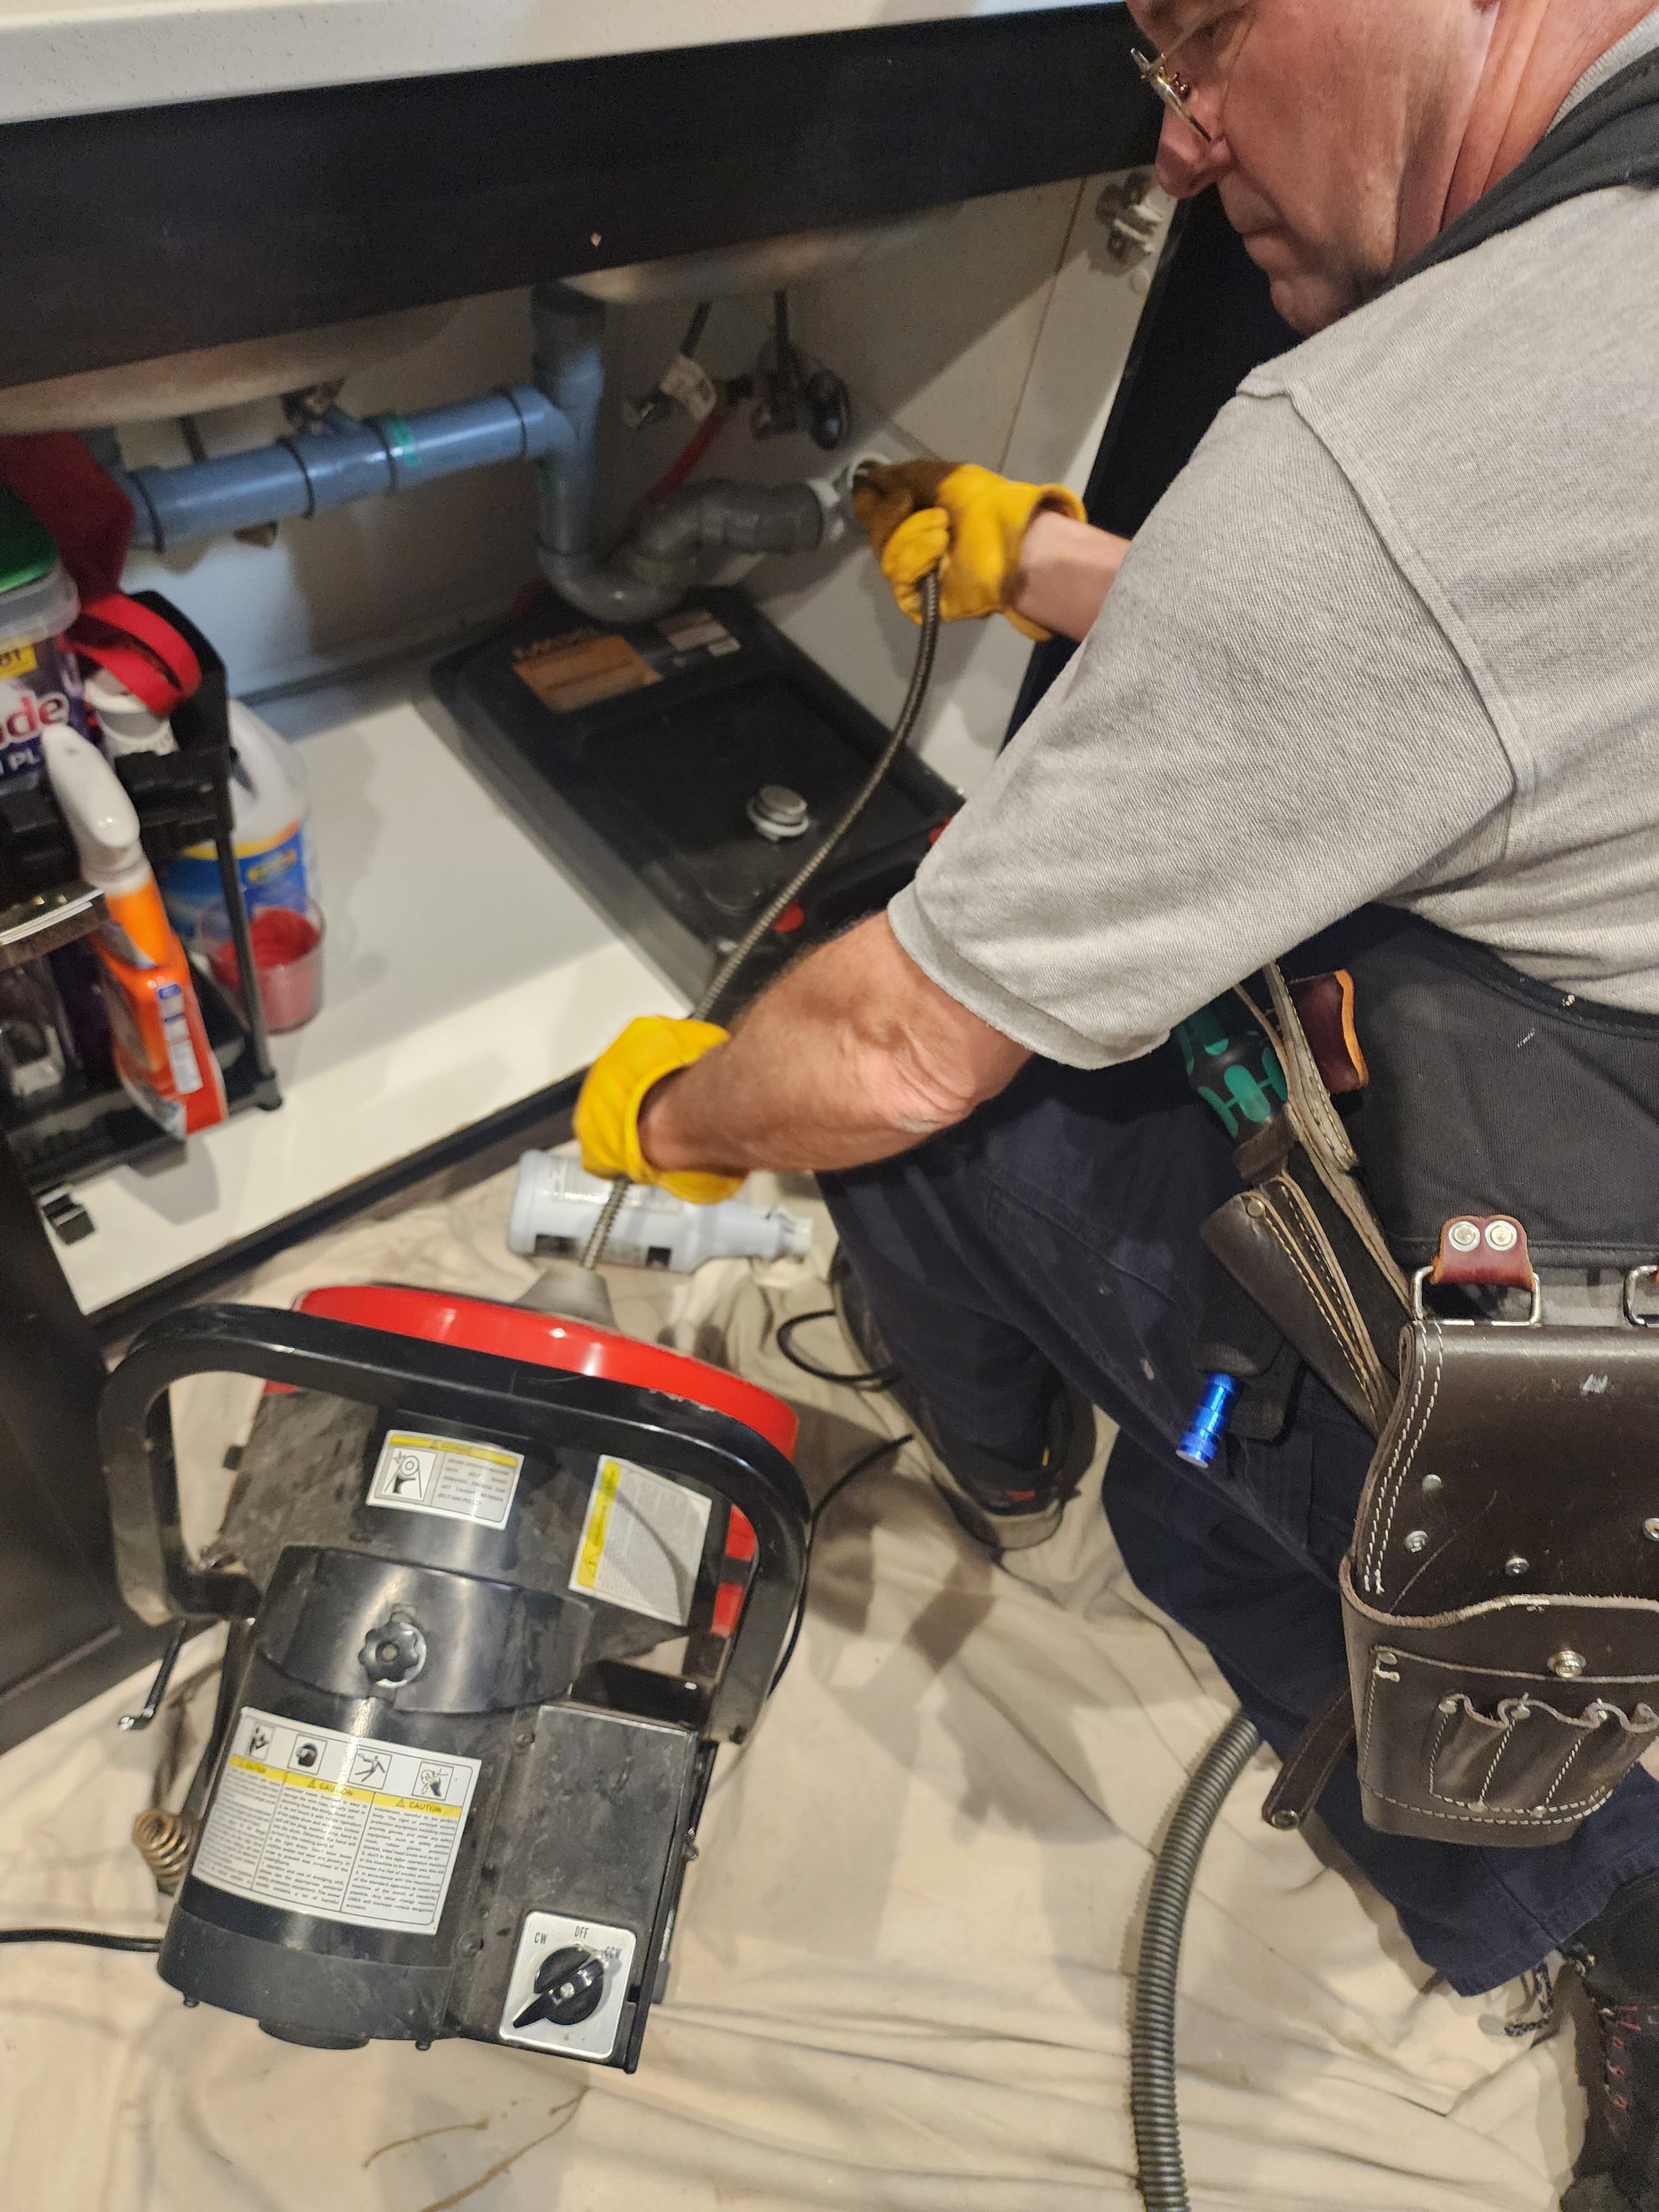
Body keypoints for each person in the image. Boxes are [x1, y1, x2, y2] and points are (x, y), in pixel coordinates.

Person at [574, 4, 1659, 2202]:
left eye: (1207, 30)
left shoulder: (1387, 448)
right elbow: (1507, 630)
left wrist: (681, 1117)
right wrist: (1068, 569)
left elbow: (895, 1044)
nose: (1173, 147)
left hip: (1588, 1381)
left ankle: (1528, 1881)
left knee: (940, 1134)